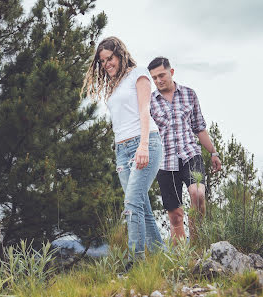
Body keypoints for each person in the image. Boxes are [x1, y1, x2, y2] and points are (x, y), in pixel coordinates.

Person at [81, 37, 163, 261]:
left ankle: (135, 261)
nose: (107, 64)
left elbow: (145, 111)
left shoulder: (139, 73)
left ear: (120, 54)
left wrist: (143, 146)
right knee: (141, 206)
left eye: (110, 58)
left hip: (144, 143)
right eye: (103, 61)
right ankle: (161, 258)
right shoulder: (115, 86)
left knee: (131, 203)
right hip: (122, 150)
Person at [147, 57, 221, 244]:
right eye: (154, 78)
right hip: (164, 162)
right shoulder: (149, 103)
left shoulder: (189, 94)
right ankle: (181, 259)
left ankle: (197, 245)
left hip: (190, 154)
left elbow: (199, 127)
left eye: (161, 75)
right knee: (175, 216)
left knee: (198, 194)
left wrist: (213, 152)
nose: (158, 80)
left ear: (171, 72)